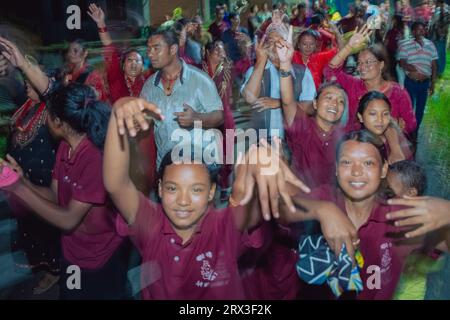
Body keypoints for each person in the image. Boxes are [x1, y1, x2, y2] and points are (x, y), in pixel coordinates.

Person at [0, 84, 127, 299]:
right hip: (72, 254)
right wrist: (24, 181)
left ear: (59, 122)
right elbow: (55, 196)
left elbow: (68, 219)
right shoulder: (65, 148)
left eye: (48, 114)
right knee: (70, 294)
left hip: (99, 259)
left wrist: (17, 188)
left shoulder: (94, 158)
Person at [292, 130, 423, 299]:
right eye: (346, 162)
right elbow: (283, 208)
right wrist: (321, 209)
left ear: (383, 170)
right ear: (337, 169)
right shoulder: (326, 197)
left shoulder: (398, 215)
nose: (356, 172)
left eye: (368, 163)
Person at [88, 3, 156, 194]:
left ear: (143, 66)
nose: (134, 63)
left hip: (145, 137)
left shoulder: (149, 81)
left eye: (138, 61)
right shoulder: (117, 81)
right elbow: (109, 49)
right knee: (124, 180)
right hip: (122, 136)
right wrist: (101, 24)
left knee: (148, 178)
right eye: (130, 60)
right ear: (123, 65)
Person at [5, 79, 60, 295]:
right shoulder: (27, 105)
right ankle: (39, 260)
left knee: (46, 223)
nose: (27, 84)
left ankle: (55, 269)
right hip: (23, 175)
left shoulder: (52, 110)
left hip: (42, 178)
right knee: (30, 223)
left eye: (31, 81)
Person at [141, 28, 224, 169]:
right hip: (167, 164)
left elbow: (220, 116)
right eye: (148, 49)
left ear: (173, 49)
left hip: (200, 163)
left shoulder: (200, 79)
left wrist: (196, 118)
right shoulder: (149, 86)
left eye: (156, 48)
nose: (150, 54)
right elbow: (146, 122)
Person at [325, 24, 417, 136]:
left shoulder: (398, 92)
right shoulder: (354, 84)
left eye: (368, 62)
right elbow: (329, 72)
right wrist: (348, 47)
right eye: (359, 63)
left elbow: (411, 124)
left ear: (381, 65)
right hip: (355, 144)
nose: (362, 67)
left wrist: (398, 126)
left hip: (384, 149)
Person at [242, 20, 315, 143]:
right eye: (271, 41)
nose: (275, 46)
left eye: (280, 40)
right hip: (263, 142)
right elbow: (250, 98)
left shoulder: (302, 72)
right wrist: (260, 61)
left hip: (295, 141)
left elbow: (311, 108)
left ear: (289, 43)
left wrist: (280, 103)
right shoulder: (256, 71)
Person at [202, 40, 235, 199]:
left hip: (225, 116)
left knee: (226, 152)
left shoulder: (228, 67)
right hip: (206, 117)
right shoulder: (199, 69)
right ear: (207, 52)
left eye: (223, 51)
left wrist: (248, 48)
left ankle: (225, 185)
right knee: (207, 153)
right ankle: (208, 184)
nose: (221, 54)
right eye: (217, 51)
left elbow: (246, 63)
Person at [398, 21, 438, 133]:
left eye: (423, 29)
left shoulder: (431, 45)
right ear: (413, 31)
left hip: (424, 83)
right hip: (410, 82)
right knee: (408, 107)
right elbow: (402, 63)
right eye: (418, 30)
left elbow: (434, 66)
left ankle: (415, 130)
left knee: (420, 109)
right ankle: (407, 129)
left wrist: (432, 84)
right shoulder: (405, 45)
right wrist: (411, 68)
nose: (421, 32)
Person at [356, 91, 413, 164]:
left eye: (385, 114)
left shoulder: (395, 139)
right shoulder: (357, 145)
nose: (380, 120)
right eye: (373, 114)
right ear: (360, 117)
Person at [221, 13, 252, 79]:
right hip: (232, 65)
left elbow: (249, 47)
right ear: (231, 20)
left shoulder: (244, 31)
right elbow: (225, 50)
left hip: (244, 63)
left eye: (239, 19)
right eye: (237, 19)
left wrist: (246, 43)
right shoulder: (225, 34)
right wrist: (228, 62)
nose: (239, 21)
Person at [429, 0, 450, 77]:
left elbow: (446, 25)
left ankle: (440, 71)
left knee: (440, 54)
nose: (435, 3)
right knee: (435, 54)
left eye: (436, 2)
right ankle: (435, 70)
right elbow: (433, 23)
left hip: (440, 37)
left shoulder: (446, 11)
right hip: (434, 37)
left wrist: (440, 31)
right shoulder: (437, 10)